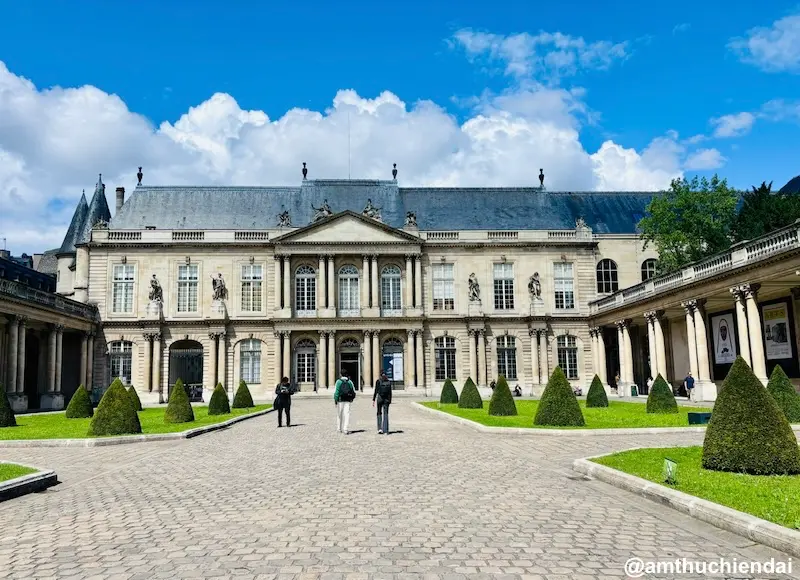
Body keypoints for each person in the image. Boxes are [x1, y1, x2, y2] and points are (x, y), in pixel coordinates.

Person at [334, 369, 356, 434]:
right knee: (347, 414)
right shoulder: (349, 382)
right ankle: (345, 429)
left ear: (341, 374)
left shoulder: (338, 381)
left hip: (340, 400)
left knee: (339, 414)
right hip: (347, 400)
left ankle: (339, 428)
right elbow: (353, 391)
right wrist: (352, 398)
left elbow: (336, 392)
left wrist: (335, 399)